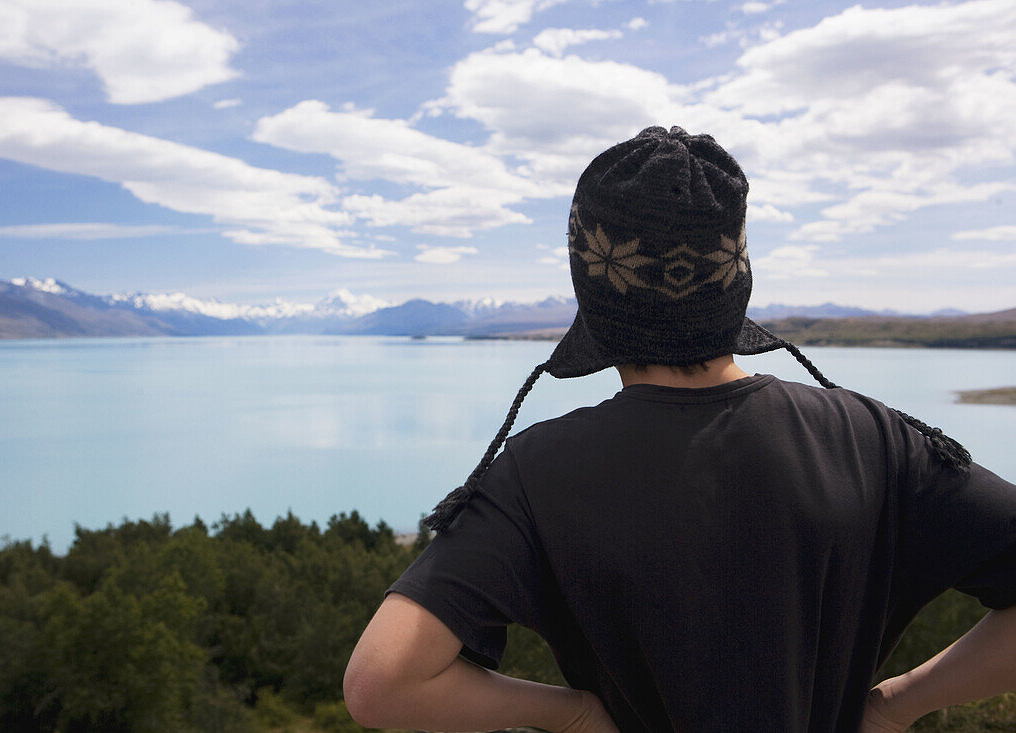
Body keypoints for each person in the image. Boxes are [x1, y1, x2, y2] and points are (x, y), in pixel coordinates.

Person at [342, 126, 1016, 731]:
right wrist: (896, 703)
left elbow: (381, 683)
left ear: (593, 286)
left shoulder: (537, 472)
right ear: (736, 277)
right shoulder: (874, 439)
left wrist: (572, 713)